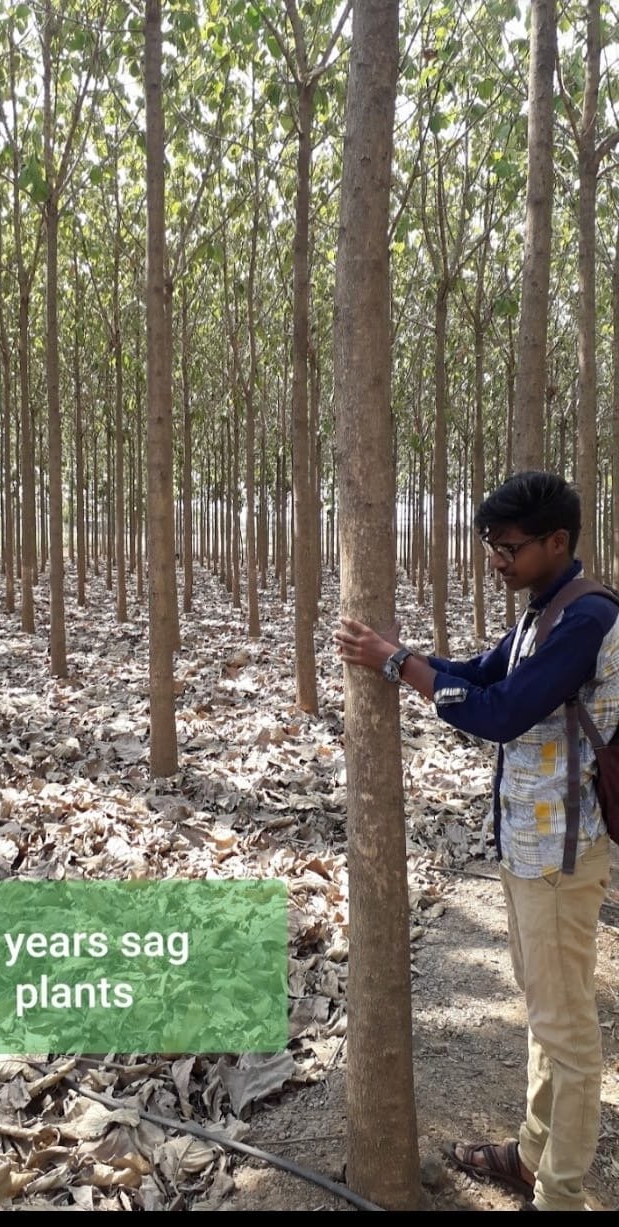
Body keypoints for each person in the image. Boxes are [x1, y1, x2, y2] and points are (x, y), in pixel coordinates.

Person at [333, 470, 617, 1213]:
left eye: (509, 547)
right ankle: (532, 1154)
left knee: (567, 1033)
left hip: (560, 856)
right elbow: (479, 674)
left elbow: (500, 712)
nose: (496, 559)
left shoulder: (586, 618)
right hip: (529, 848)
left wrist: (399, 665)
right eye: (491, 545)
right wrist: (402, 657)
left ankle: (560, 1195)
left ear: (557, 541)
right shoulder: (544, 610)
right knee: (545, 1013)